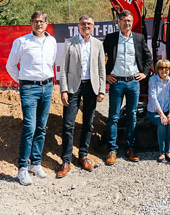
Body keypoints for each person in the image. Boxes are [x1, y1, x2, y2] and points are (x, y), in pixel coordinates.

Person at [6, 10, 57, 186]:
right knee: (29, 127)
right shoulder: (21, 42)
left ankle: (35, 164)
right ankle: (22, 168)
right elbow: (10, 65)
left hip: (47, 87)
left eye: (42, 21)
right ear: (31, 23)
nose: (39, 24)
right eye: (35, 21)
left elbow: (52, 63)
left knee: (41, 127)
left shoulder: (51, 42)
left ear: (46, 23)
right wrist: (22, 82)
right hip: (29, 88)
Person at [56, 15, 106, 178]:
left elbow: (101, 68)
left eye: (89, 24)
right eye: (83, 24)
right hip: (72, 88)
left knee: (88, 123)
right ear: (78, 26)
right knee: (68, 125)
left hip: (91, 87)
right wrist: (63, 89)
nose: (86, 26)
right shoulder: (70, 42)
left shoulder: (98, 44)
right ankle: (66, 160)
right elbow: (63, 68)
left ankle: (83, 156)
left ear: (93, 27)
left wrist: (101, 89)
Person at [103, 10, 153, 165]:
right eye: (124, 21)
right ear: (119, 22)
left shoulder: (138, 38)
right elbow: (99, 57)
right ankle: (112, 149)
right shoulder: (111, 38)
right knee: (114, 117)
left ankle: (130, 148)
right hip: (116, 82)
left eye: (130, 21)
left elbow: (148, 57)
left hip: (133, 83)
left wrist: (144, 73)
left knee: (132, 116)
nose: (127, 23)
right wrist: (105, 74)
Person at [147, 59, 170, 163]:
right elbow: (153, 97)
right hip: (154, 112)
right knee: (162, 123)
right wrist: (161, 115)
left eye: (166, 68)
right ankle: (161, 152)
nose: (164, 70)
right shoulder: (152, 79)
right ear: (157, 69)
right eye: (161, 68)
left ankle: (169, 152)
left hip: (167, 110)